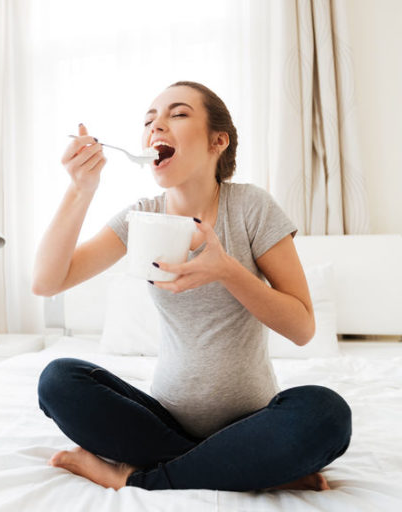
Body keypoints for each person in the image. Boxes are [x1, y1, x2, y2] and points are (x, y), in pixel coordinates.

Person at [31, 81, 351, 492]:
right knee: (59, 380)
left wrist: (228, 271)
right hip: (161, 423)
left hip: (254, 422)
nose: (156, 127)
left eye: (177, 114)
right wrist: (80, 189)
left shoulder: (251, 208)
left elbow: (303, 328)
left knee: (327, 413)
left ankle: (138, 478)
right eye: (149, 120)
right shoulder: (141, 216)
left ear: (218, 141)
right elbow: (46, 281)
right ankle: (247, 467)